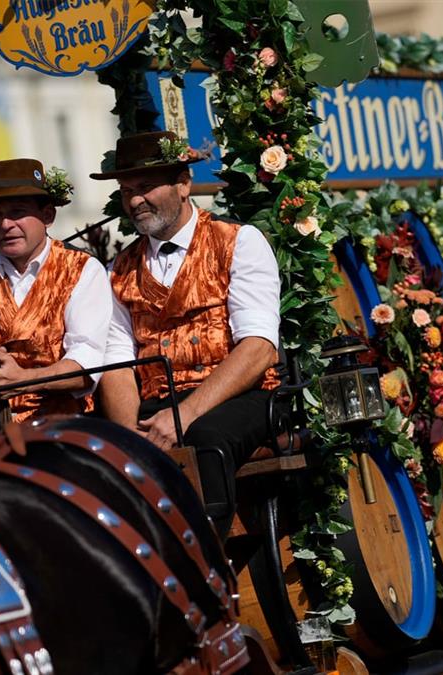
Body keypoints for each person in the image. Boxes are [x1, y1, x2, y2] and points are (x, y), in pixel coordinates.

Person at [91, 131, 281, 535]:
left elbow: (259, 348)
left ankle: (206, 564)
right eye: (127, 191)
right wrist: (130, 438)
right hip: (158, 403)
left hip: (241, 396)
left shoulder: (239, 242)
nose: (135, 200)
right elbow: (117, 364)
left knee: (205, 439)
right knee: (102, 453)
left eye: (145, 187)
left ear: (183, 184)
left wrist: (185, 414)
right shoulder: (117, 271)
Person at [0, 158, 112, 441]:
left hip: (66, 425)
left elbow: (86, 364)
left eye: (17, 212)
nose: (5, 224)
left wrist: (23, 380)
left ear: (48, 215)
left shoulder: (84, 270)